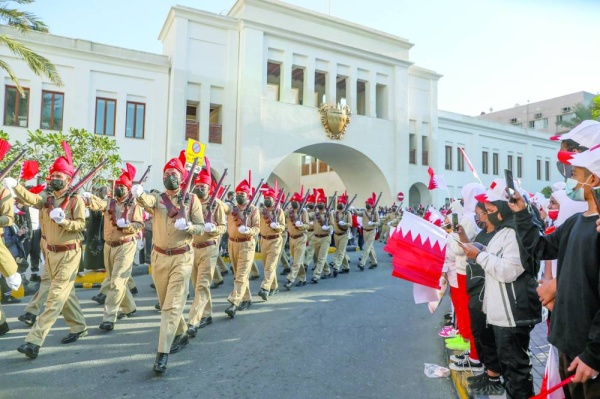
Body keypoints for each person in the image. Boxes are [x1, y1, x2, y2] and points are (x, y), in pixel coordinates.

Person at [513, 145, 600, 399]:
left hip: (589, 356)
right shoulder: (574, 222)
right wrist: (522, 213)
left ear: (592, 179)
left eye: (574, 173)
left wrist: (594, 354)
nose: (570, 180)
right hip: (566, 345)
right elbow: (540, 247)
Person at [5, 142, 88, 359]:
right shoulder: (48, 198)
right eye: (53, 175)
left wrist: (64, 221)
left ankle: (34, 340)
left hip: (69, 253)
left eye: (60, 176)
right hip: (49, 253)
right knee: (65, 293)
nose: (55, 179)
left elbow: (80, 225)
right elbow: (32, 199)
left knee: (54, 298)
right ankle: (78, 326)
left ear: (69, 180)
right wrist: (16, 186)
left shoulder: (76, 200)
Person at [462, 178, 542, 399]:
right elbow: (499, 258)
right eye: (486, 210)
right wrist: (483, 250)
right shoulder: (504, 230)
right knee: (510, 370)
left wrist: (479, 255)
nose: (488, 214)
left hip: (513, 314)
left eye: (491, 210)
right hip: (502, 314)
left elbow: (509, 270)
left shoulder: (517, 231)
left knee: (516, 371)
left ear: (506, 208)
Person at [132, 151, 205, 373]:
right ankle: (181, 333)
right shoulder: (157, 198)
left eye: (174, 173)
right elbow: (147, 201)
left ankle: (162, 353)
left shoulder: (192, 200)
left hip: (182, 257)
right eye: (166, 173)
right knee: (167, 304)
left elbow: (201, 228)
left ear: (182, 177)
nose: (169, 176)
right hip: (159, 257)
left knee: (171, 307)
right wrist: (139, 193)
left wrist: (189, 228)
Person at [82, 163, 144, 331]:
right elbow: (98, 204)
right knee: (116, 280)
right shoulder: (109, 203)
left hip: (125, 245)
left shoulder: (134, 205)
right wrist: (88, 198)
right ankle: (129, 306)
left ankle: (109, 317)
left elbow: (139, 224)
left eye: (123, 187)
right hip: (108, 246)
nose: (119, 189)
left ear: (128, 189)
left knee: (116, 282)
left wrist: (127, 226)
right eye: (118, 186)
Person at [461, 202, 503, 396]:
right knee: (478, 331)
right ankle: (487, 372)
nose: (478, 218)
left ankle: (494, 376)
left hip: (486, 289)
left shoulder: (500, 235)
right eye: (477, 214)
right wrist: (461, 236)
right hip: (475, 287)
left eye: (482, 214)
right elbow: (471, 249)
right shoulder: (482, 233)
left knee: (487, 333)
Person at [186, 159, 226, 337]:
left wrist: (214, 229)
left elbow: (223, 227)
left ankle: (193, 321)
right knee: (197, 285)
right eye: (198, 185)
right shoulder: (191, 202)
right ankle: (207, 313)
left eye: (204, 186)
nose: (200, 188)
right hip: (193, 247)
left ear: (209, 188)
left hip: (210, 247)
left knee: (202, 285)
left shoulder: (216, 204)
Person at [222, 175, 260, 318]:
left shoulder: (254, 210)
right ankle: (247, 298)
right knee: (238, 274)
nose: (239, 196)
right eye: (237, 194)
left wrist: (249, 230)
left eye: (242, 194)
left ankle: (234, 302)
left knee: (242, 274)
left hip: (247, 244)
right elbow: (224, 207)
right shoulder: (232, 208)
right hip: (232, 243)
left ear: (248, 195)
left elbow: (257, 228)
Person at [257, 186, 285, 300]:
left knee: (270, 266)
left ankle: (265, 288)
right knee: (267, 266)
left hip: (275, 240)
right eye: (266, 197)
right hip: (264, 240)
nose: (267, 199)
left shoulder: (278, 211)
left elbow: (283, 226)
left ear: (274, 199)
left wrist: (277, 226)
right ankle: (274, 286)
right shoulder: (261, 211)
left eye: (269, 197)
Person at [283, 190, 310, 289]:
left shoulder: (303, 212)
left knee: (296, 262)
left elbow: (307, 225)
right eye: (292, 201)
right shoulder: (289, 212)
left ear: (299, 202)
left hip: (301, 238)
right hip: (292, 238)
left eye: (295, 201)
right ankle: (302, 278)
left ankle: (290, 280)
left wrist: (302, 225)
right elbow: (281, 215)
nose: (293, 202)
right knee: (297, 260)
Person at [310, 188, 333, 283]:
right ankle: (327, 271)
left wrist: (328, 228)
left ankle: (316, 275)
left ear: (324, 204)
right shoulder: (315, 214)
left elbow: (332, 225)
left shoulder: (328, 214)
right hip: (316, 237)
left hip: (325, 238)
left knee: (321, 258)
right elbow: (307, 216)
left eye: (321, 202)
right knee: (319, 257)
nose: (319, 204)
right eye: (318, 202)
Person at [355, 193, 380, 270]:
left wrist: (373, 223)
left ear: (372, 204)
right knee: (370, 248)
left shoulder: (375, 212)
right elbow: (358, 213)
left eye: (368, 203)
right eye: (367, 203)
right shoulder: (364, 212)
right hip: (365, 231)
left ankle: (362, 263)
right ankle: (374, 262)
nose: (367, 204)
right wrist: (353, 209)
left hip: (372, 231)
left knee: (367, 247)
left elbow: (378, 222)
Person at [330, 193, 351, 276]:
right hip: (336, 234)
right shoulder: (334, 213)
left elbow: (350, 224)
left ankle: (336, 266)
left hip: (344, 234)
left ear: (344, 205)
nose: (339, 204)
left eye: (341, 203)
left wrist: (344, 224)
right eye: (338, 203)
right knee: (341, 251)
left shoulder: (347, 213)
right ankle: (346, 267)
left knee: (341, 251)